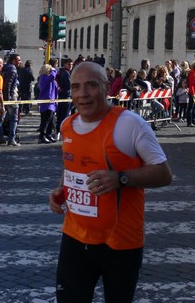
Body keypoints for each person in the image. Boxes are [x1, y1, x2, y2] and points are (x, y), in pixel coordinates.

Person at [48, 61, 172, 302]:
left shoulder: (130, 124)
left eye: (91, 85)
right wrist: (62, 188)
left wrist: (121, 178)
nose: (82, 94)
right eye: (75, 87)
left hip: (120, 243)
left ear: (106, 87)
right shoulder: (67, 125)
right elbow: (73, 166)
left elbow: (164, 173)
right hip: (75, 237)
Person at [0, 53, 22, 146]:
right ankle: (11, 139)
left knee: (0, 118)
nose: (20, 62)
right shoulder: (12, 70)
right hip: (10, 97)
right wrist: (8, 99)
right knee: (14, 119)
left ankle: (0, 137)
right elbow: (8, 85)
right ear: (13, 60)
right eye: (18, 60)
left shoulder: (4, 68)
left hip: (2, 96)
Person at [37, 63, 58, 143]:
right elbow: (53, 76)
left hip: (51, 101)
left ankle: (48, 135)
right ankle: (42, 136)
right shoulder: (44, 78)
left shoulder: (48, 79)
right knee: (46, 119)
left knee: (51, 119)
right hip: (47, 101)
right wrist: (54, 70)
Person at [55, 58, 73, 139]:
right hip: (66, 96)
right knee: (65, 116)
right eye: (69, 64)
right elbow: (69, 85)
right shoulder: (66, 73)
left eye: (72, 64)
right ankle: (62, 132)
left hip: (61, 96)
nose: (71, 66)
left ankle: (58, 131)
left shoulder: (61, 72)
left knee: (60, 115)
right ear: (65, 64)